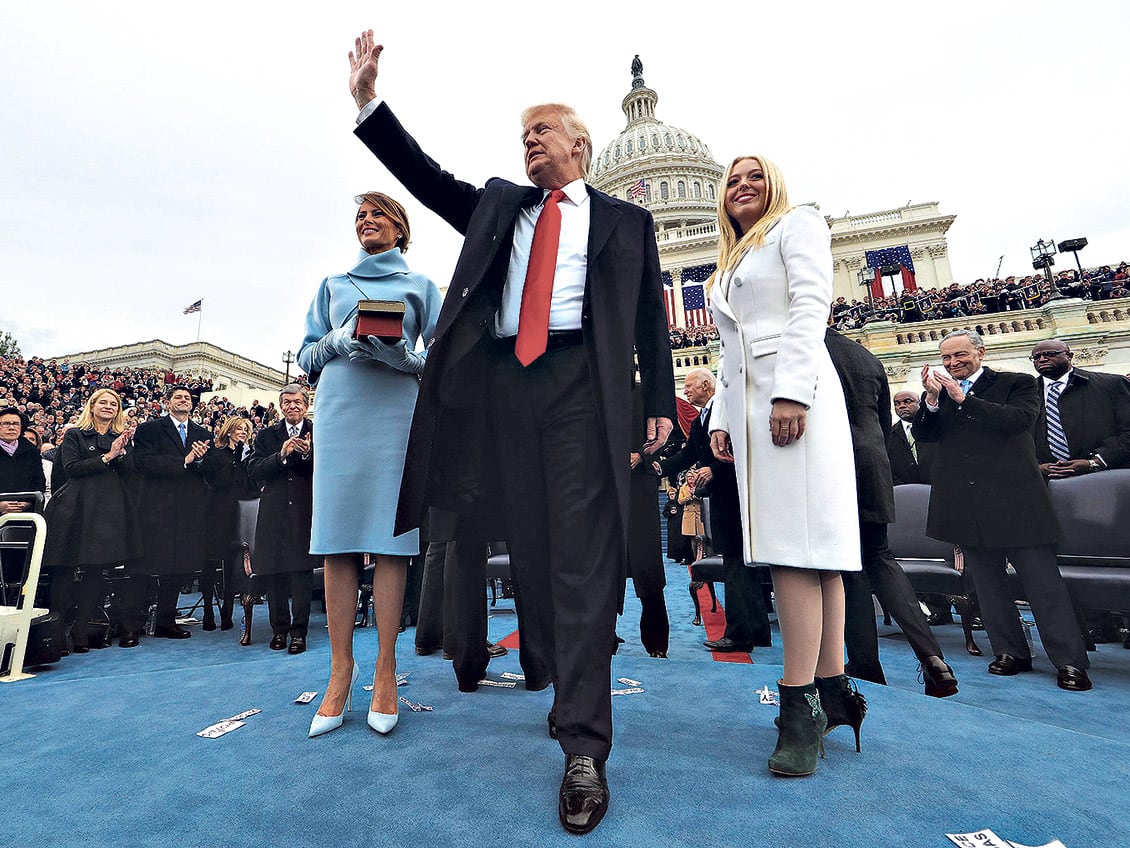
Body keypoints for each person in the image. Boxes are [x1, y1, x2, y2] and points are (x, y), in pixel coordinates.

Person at [347, 32, 674, 834]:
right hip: (501, 393)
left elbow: (648, 326)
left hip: (583, 393)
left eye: (542, 131)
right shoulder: (500, 206)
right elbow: (424, 180)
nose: (529, 143)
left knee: (584, 562)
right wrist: (368, 104)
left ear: (581, 147)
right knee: (532, 555)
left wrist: (658, 401)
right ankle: (562, 689)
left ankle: (585, 746)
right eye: (522, 134)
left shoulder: (628, 223)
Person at [708, 155, 862, 777]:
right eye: (732, 179)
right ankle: (833, 689)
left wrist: (792, 390)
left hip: (793, 397)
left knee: (795, 549)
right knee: (811, 550)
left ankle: (797, 706)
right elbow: (729, 349)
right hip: (751, 406)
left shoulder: (797, 224)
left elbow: (809, 306)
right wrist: (720, 418)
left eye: (755, 175)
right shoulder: (732, 258)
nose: (743, 186)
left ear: (774, 186)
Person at [297, 191, 442, 738]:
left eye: (378, 214)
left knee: (389, 541)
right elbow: (307, 356)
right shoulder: (332, 285)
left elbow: (441, 362)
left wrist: (402, 356)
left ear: (400, 227)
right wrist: (336, 340)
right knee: (335, 540)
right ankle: (340, 672)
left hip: (395, 416)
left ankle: (385, 668)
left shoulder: (422, 286)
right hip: (339, 414)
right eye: (359, 215)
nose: (366, 222)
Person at [913, 329, 1091, 691]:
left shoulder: (1018, 383)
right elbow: (926, 437)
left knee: (1043, 586)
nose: (952, 363)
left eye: (960, 355)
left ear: (980, 352)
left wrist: (962, 399)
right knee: (988, 587)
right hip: (966, 505)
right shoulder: (939, 394)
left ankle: (1069, 661)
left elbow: (1016, 422)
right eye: (946, 358)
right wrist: (931, 402)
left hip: (1017, 503)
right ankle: (1010, 651)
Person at [824, 328, 957, 698]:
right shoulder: (865, 355)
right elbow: (883, 425)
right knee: (881, 559)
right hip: (872, 464)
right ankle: (934, 659)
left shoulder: (800, 344)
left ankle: (866, 665)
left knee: (846, 569)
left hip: (830, 465)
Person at [658, 369, 771, 652]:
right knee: (741, 563)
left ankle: (738, 634)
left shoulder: (729, 409)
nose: (685, 392)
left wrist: (713, 468)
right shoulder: (701, 419)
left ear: (707, 385)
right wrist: (659, 466)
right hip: (722, 496)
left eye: (688, 386)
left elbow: (743, 447)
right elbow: (689, 455)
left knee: (737, 563)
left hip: (737, 494)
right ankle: (756, 630)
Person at [41, 389, 141, 652]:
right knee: (64, 569)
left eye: (114, 404)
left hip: (108, 510)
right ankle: (56, 631)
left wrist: (123, 452)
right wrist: (107, 456)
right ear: (92, 406)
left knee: (96, 570)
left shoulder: (120, 438)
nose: (109, 407)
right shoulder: (75, 434)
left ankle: (81, 629)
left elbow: (130, 474)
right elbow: (72, 468)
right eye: (103, 402)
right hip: (76, 507)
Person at [120, 385, 212, 646]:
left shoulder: (202, 433)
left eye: (187, 398)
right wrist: (185, 460)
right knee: (143, 569)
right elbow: (144, 462)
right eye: (178, 397)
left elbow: (210, 468)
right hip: (155, 509)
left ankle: (166, 621)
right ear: (167, 402)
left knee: (177, 569)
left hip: (189, 511)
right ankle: (130, 625)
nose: (183, 400)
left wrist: (202, 460)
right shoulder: (150, 429)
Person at [246, 386, 318, 655]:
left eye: (297, 402)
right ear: (280, 406)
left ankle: (299, 633)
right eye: (286, 402)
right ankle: (279, 630)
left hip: (305, 510)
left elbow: (329, 470)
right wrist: (282, 455)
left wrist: (310, 453)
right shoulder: (266, 435)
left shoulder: (318, 431)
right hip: (274, 511)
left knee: (301, 573)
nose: (292, 406)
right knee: (275, 572)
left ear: (305, 403)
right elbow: (253, 469)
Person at [1029, 339, 1130, 477]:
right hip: (1047, 482)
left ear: (1069, 356)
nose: (1042, 359)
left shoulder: (1112, 384)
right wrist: (1036, 467)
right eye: (1036, 357)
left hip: (1109, 476)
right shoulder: (1025, 394)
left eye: (1050, 354)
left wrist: (1096, 462)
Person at [200, 416, 254, 632]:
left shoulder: (248, 456)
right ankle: (207, 610)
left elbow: (251, 485)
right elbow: (215, 481)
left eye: (245, 429)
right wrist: (235, 462)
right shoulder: (216, 453)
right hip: (217, 513)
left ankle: (228, 611)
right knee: (211, 562)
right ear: (229, 431)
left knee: (234, 565)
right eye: (239, 428)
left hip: (240, 515)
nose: (242, 432)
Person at [886, 391, 937, 485]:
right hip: (906, 492)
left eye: (907, 401)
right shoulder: (889, 435)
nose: (901, 406)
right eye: (897, 404)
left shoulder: (933, 428)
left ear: (920, 403)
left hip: (939, 488)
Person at [0, 407, 45, 510]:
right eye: (6, 424)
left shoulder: (31, 451)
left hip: (25, 512)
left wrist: (27, 503)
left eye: (16, 424)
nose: (11, 427)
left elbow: (39, 482)